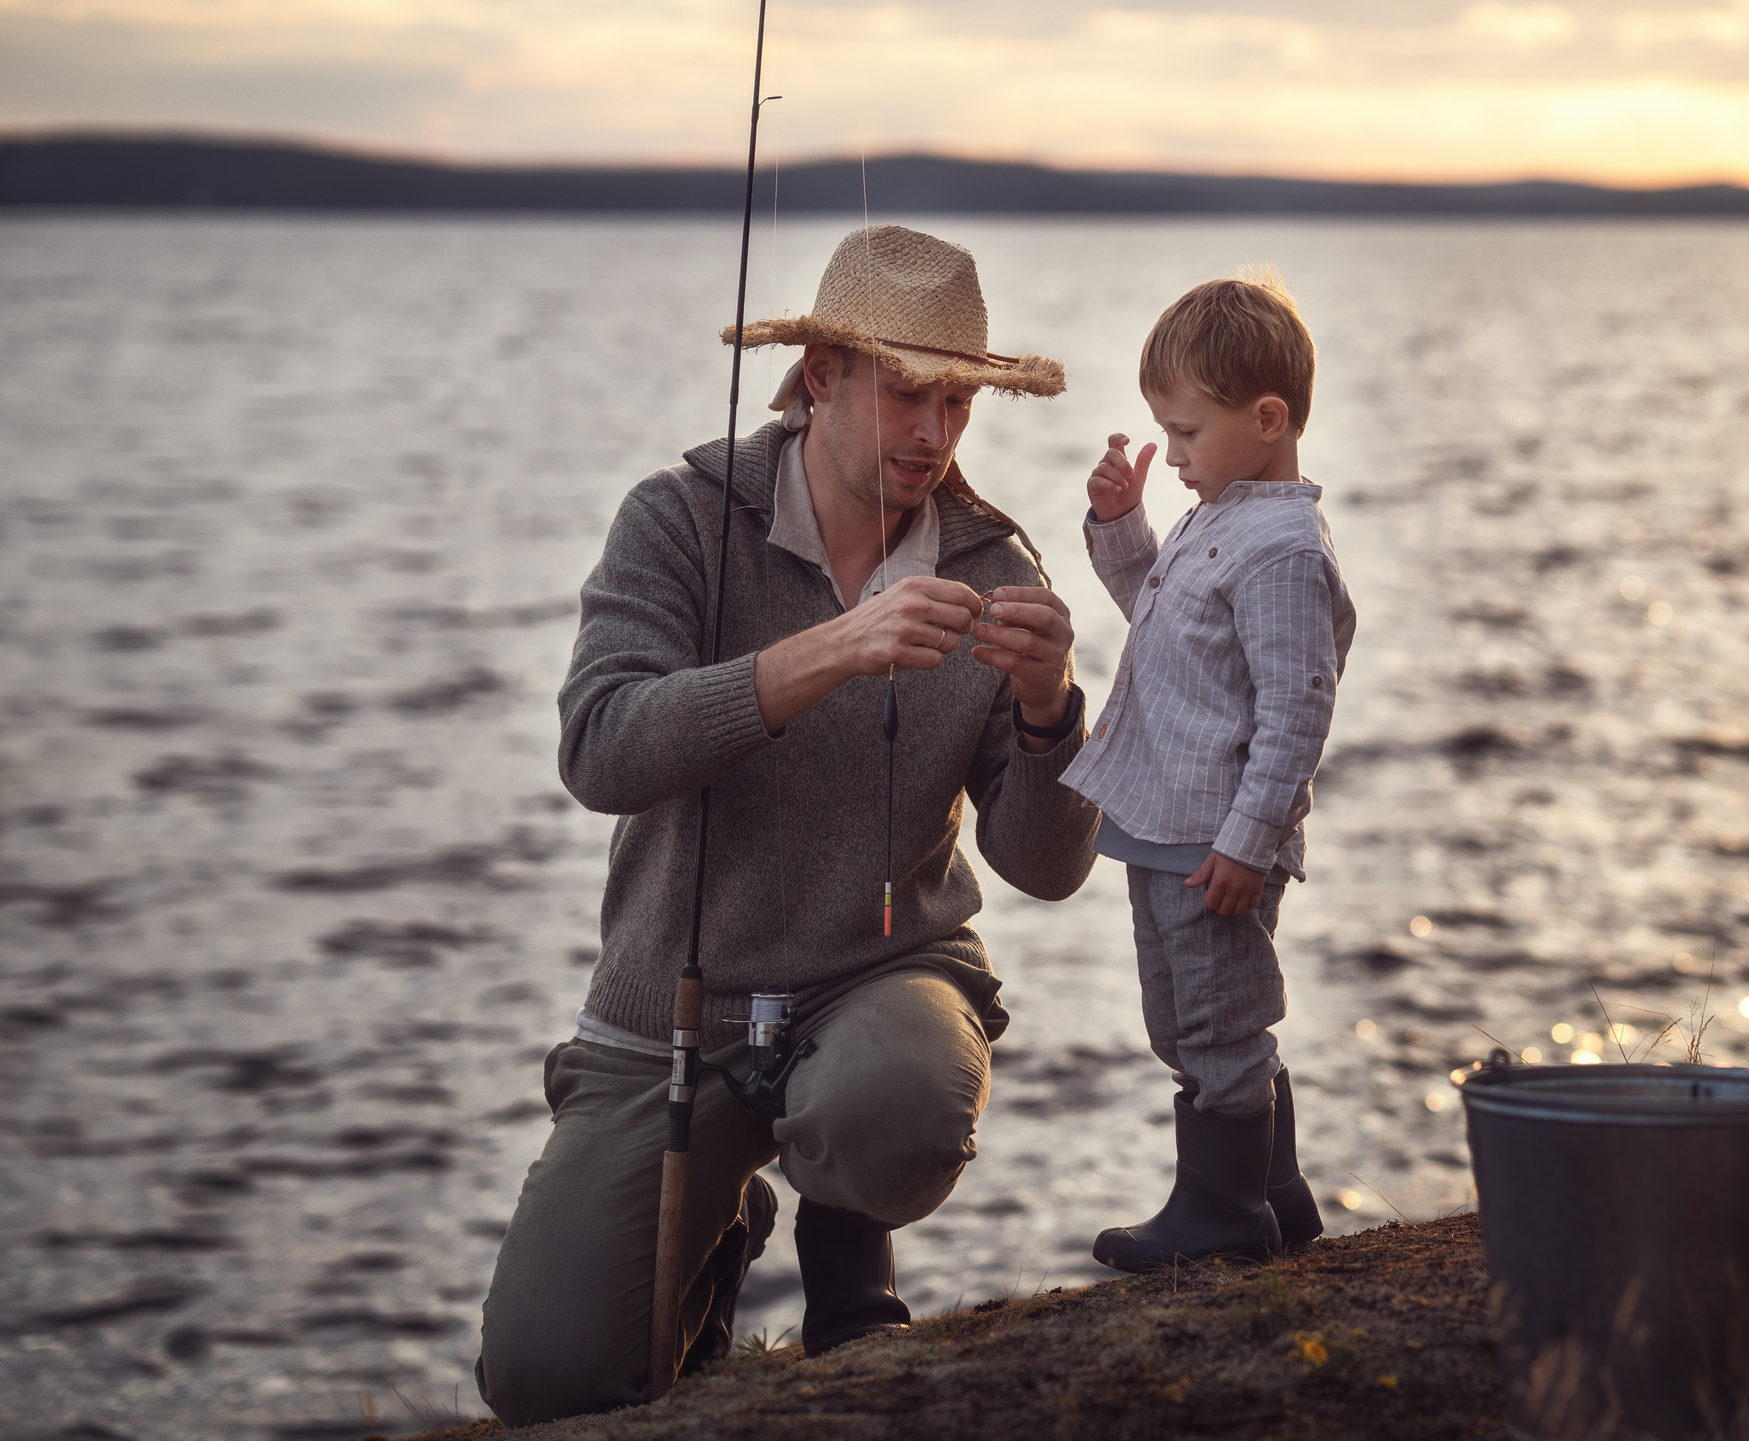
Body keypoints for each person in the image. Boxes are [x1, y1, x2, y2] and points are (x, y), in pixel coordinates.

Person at [477, 225, 1099, 1424]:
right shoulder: (676, 518)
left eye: (960, 402)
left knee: (894, 1105)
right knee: (550, 1383)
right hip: (674, 1013)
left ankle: (844, 1246)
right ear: (821, 378)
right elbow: (598, 747)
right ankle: (724, 1227)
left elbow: (1044, 866)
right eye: (907, 394)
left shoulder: (993, 562)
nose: (936, 433)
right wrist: (826, 652)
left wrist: (1049, 711)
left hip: (886, 978)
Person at [1067, 272, 1357, 1271]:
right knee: (1189, 1016)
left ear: (1268, 418)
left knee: (1218, 1022)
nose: (1174, 452)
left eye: (1185, 432)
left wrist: (1248, 840)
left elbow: (1296, 713)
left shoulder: (1280, 549)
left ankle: (1223, 1216)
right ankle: (1274, 1195)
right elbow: (1164, 617)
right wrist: (1121, 526)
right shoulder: (1221, 513)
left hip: (1212, 837)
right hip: (1169, 818)